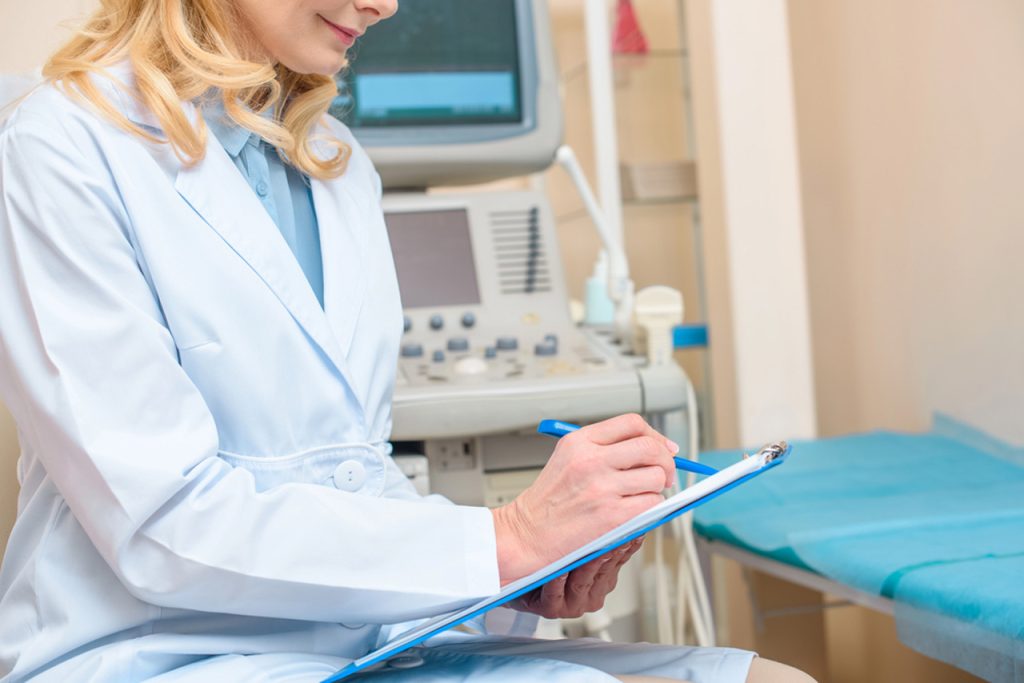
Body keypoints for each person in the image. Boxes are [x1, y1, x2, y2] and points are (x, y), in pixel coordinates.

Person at [0, 1, 814, 681]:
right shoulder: (63, 147)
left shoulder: (335, 162)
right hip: (156, 651)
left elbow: (350, 472)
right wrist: (503, 540)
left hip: (363, 637)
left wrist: (517, 577)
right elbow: (159, 520)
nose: (385, 3)